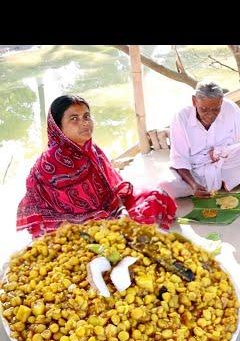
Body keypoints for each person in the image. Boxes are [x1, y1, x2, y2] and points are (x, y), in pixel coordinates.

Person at [16, 95, 177, 237]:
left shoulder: (92, 150)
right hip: (70, 230)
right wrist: (108, 223)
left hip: (107, 214)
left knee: (155, 195)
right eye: (74, 119)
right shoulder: (50, 163)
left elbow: (112, 191)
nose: (85, 123)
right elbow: (64, 220)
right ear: (58, 127)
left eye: (86, 116)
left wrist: (121, 212)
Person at [159, 80, 240, 198]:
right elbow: (179, 159)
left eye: (216, 109)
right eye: (204, 109)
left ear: (221, 102)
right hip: (193, 172)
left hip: (221, 164)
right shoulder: (181, 117)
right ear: (194, 101)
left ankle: (220, 181)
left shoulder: (230, 108)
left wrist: (221, 151)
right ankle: (211, 185)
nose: (210, 115)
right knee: (165, 186)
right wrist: (193, 185)